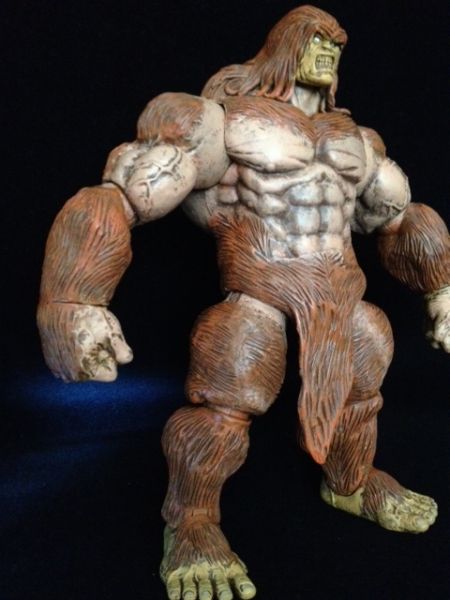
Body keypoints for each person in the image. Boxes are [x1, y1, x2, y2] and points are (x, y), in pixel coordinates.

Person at [38, 6, 449, 600]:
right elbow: (126, 193)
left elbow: (400, 218)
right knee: (225, 401)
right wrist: (75, 300)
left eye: (336, 45)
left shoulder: (357, 140)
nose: (327, 52)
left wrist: (440, 287)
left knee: (364, 380)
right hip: (257, 291)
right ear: (283, 46)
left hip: (342, 296)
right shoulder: (222, 121)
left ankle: (352, 484)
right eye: (314, 40)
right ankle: (191, 522)